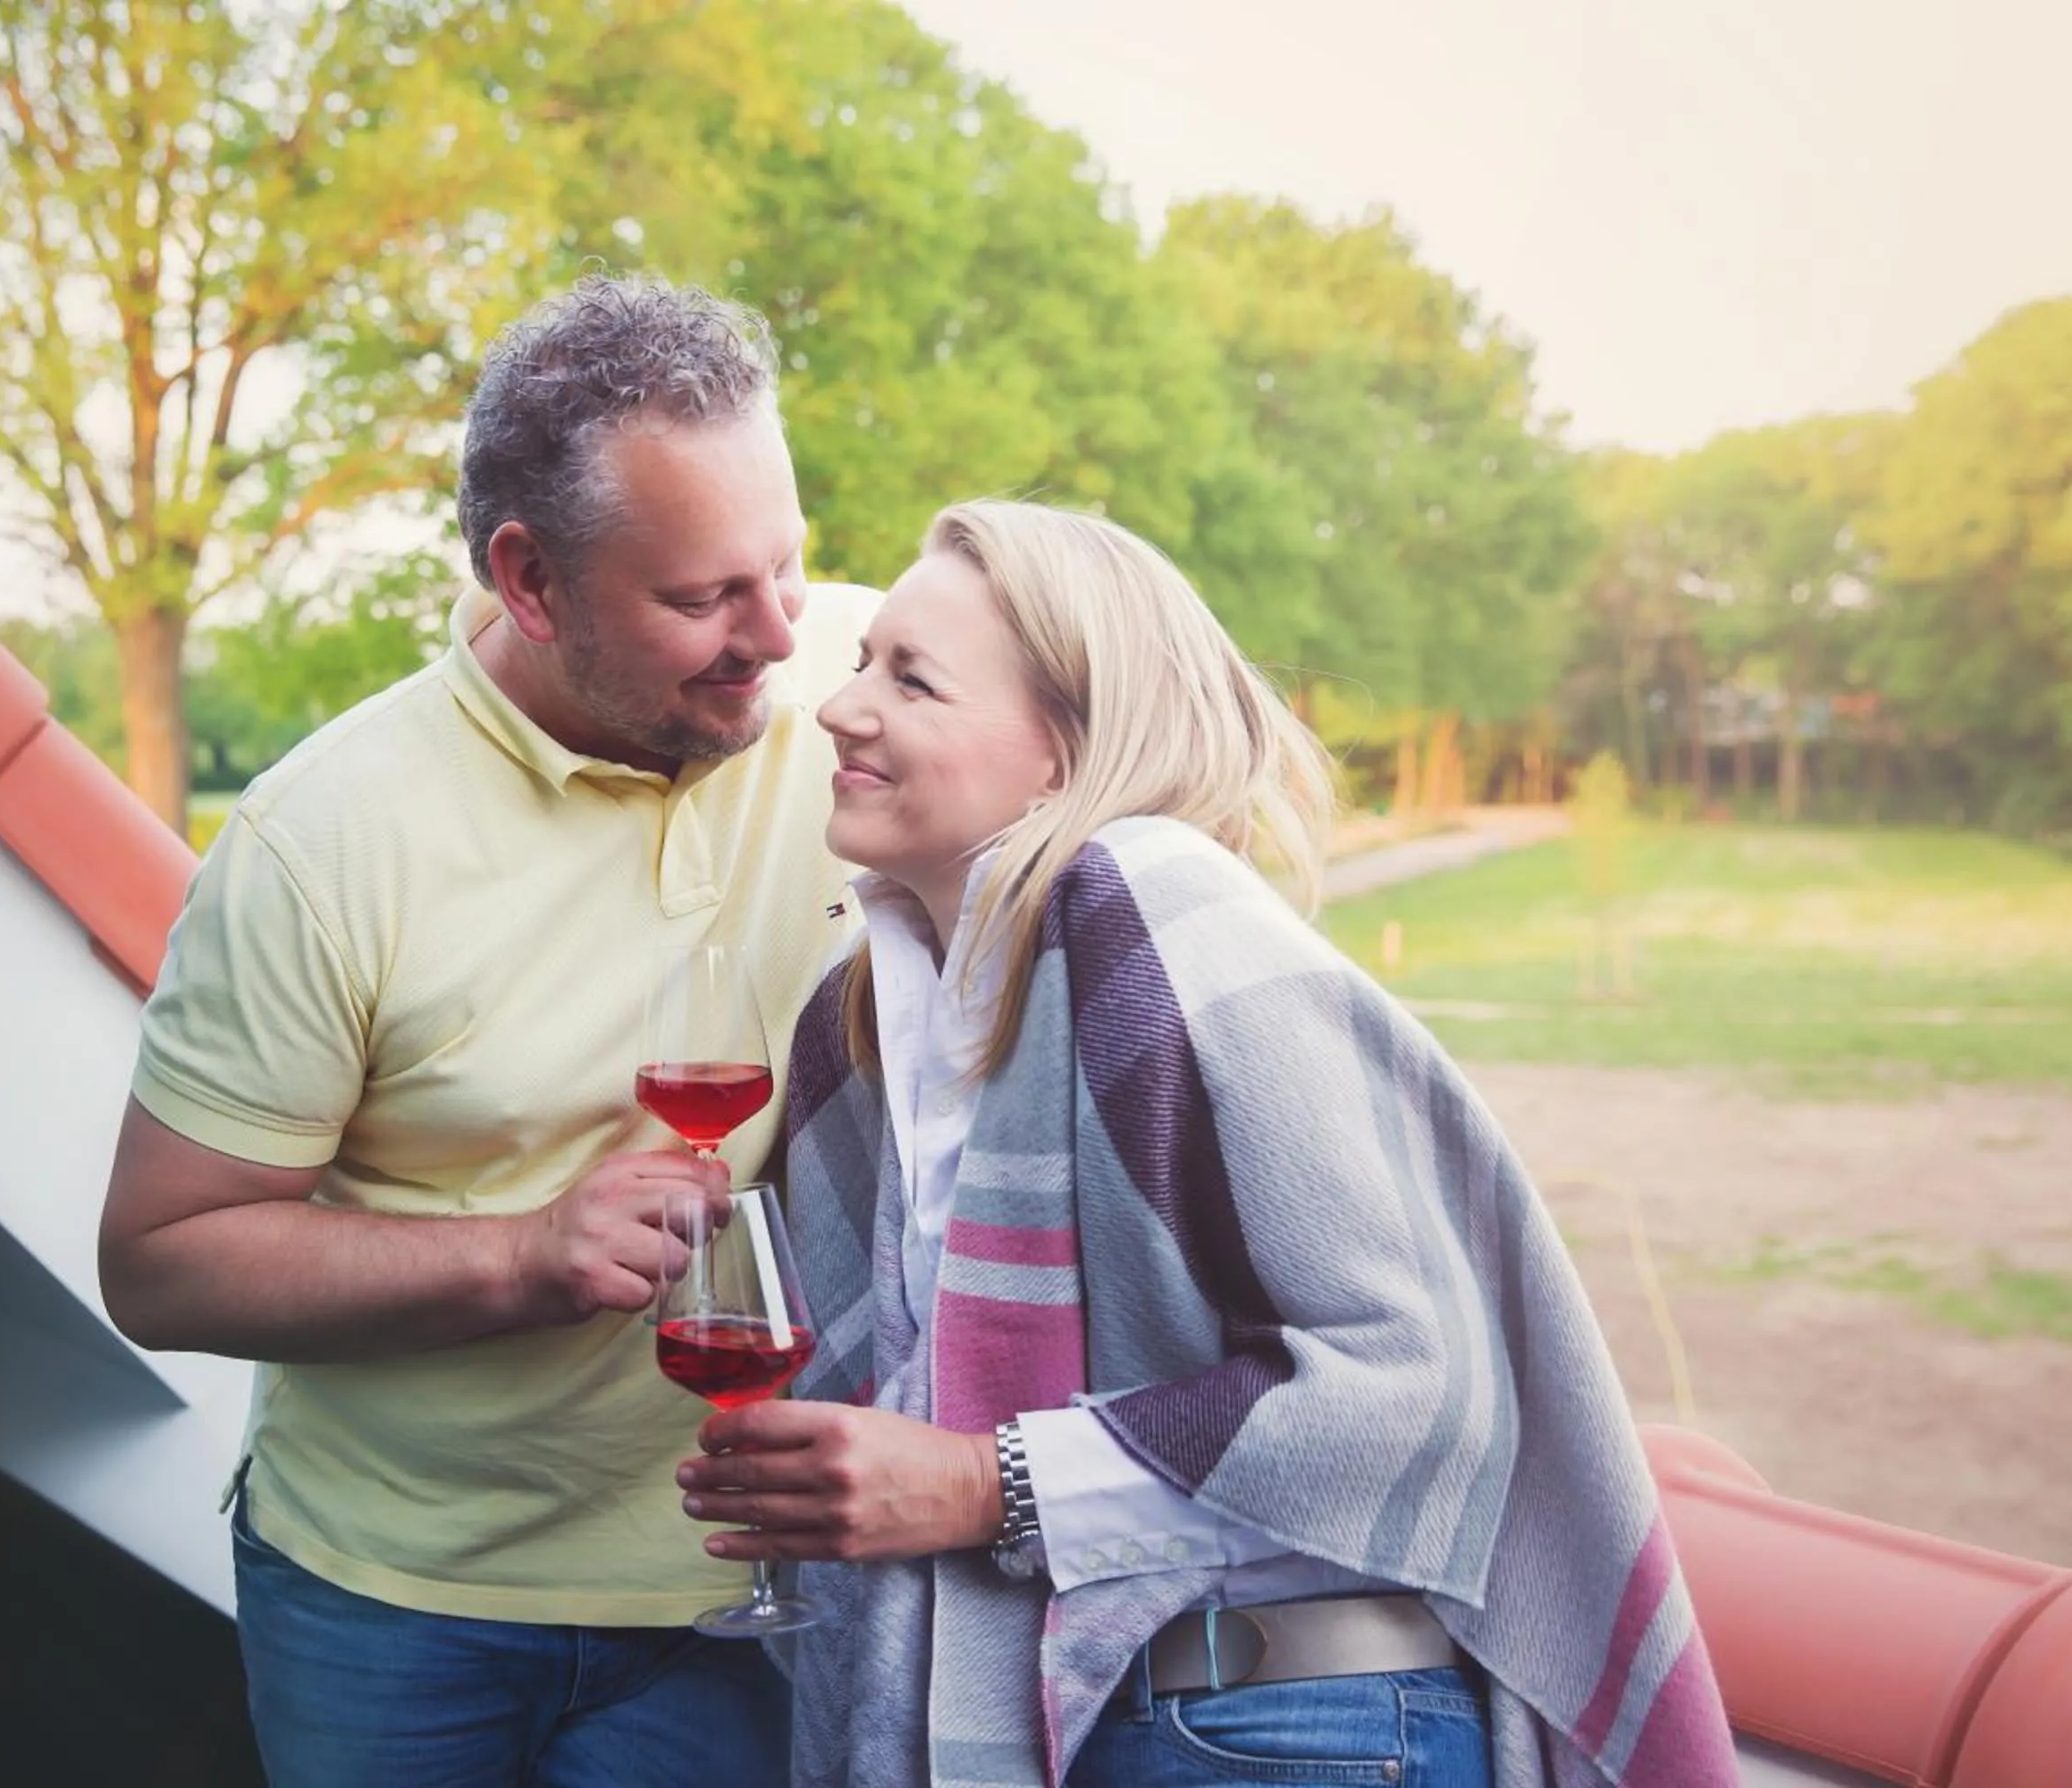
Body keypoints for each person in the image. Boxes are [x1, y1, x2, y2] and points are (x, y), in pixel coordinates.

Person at [673, 500, 1741, 1786]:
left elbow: (1417, 1390)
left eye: (913, 679)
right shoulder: (865, 1014)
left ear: (1068, 750)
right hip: (1097, 1720)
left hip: (1290, 1724)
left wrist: (983, 1483)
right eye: (861, 665)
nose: (842, 708)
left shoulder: (1159, 911)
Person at [96, 274, 874, 1788]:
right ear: (530, 580)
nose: (778, 635)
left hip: (735, 1600)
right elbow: (161, 1259)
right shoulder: (322, 840)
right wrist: (520, 1257)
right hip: (393, 1605)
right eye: (703, 598)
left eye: (788, 562)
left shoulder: (863, 689)